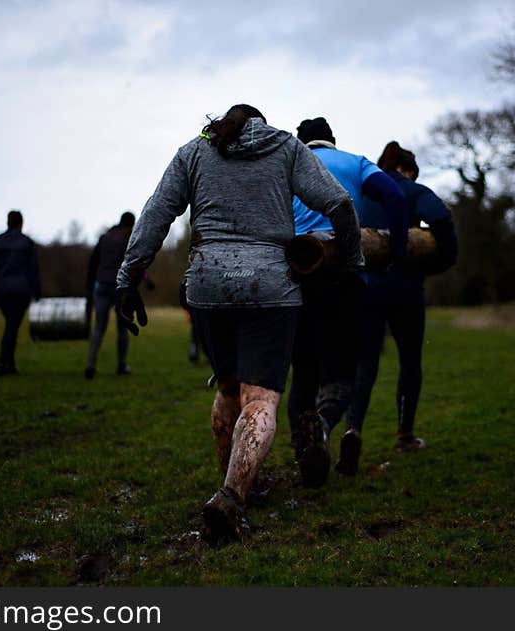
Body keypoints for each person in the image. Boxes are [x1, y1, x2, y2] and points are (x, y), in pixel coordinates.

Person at [115, 104, 361, 542]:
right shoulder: (285, 147)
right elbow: (339, 204)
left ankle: (237, 483)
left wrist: (127, 279)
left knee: (228, 388)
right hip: (270, 286)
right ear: (261, 125)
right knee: (261, 398)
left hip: (208, 286)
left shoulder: (194, 152)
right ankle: (231, 494)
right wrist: (351, 261)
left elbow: (156, 214)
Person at [288, 117, 408, 486]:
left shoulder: (288, 163)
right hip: (343, 274)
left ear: (300, 142)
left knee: (303, 372)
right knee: (341, 374)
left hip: (295, 275)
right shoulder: (355, 162)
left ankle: (306, 453)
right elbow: (396, 197)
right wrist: (397, 255)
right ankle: (322, 427)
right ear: (333, 141)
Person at [346, 141, 457, 460]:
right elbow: (440, 217)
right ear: (408, 170)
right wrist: (440, 261)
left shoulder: (362, 192)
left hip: (366, 289)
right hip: (406, 288)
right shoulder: (411, 189)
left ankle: (353, 429)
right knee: (410, 362)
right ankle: (405, 435)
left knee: (364, 363)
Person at [84, 211, 155, 379]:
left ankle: (90, 365)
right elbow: (134, 264)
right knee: (123, 328)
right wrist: (147, 280)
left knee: (99, 328)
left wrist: (88, 287)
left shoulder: (104, 238)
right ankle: (121, 365)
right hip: (119, 289)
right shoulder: (127, 240)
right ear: (130, 225)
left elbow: (93, 263)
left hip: (100, 286)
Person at [0, 210, 41, 376]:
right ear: (21, 223)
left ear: (7, 223)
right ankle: (3, 362)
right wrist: (37, 293)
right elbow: (34, 271)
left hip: (1, 289)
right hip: (21, 290)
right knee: (12, 325)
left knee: (11, 325)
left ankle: (9, 363)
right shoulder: (27, 243)